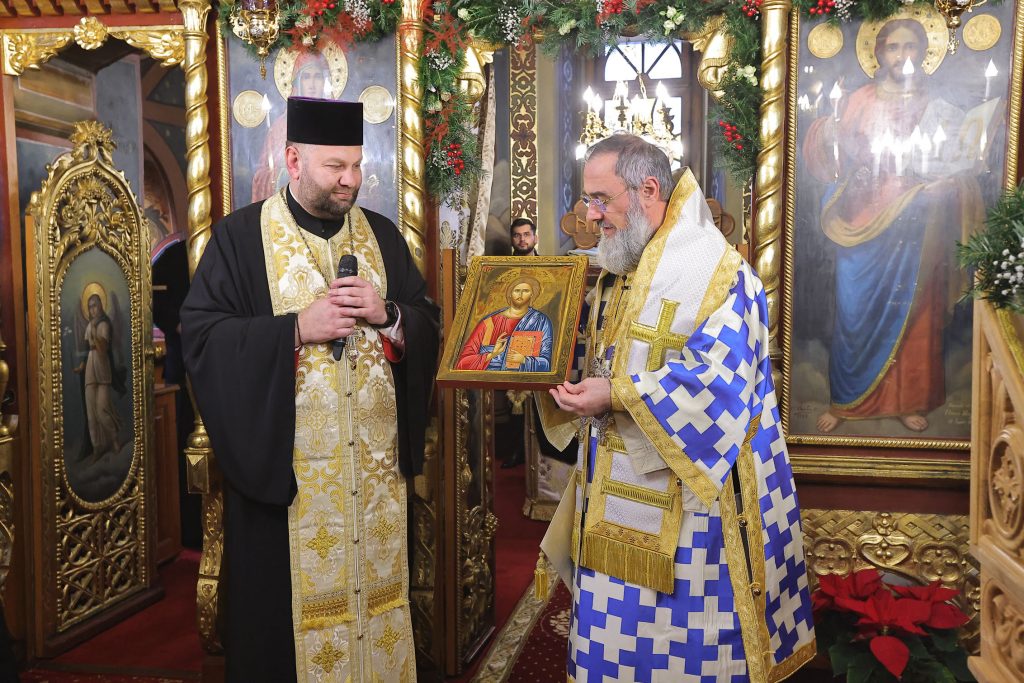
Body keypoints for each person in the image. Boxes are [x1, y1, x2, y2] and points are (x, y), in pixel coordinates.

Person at [181, 97, 439, 682]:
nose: (350, 179)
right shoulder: (240, 239)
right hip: (287, 493)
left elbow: (427, 322)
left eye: (357, 165)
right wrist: (295, 329)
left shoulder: (382, 237)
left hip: (372, 489)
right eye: (335, 167)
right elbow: (203, 338)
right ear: (293, 161)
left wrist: (389, 313)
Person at [542, 134, 814, 682]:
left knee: (689, 646)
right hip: (612, 490)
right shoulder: (625, 266)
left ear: (648, 189)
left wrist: (614, 394)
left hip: (697, 508)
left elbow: (718, 385)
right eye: (588, 200)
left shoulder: (721, 276)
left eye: (601, 199)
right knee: (614, 642)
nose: (591, 215)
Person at [802, 17, 984, 434]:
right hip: (861, 219)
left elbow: (959, 165)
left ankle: (908, 400)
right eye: (893, 47)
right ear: (878, 53)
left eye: (911, 47)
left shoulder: (940, 106)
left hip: (918, 222)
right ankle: (846, 401)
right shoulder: (857, 100)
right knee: (855, 313)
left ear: (924, 53)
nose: (903, 56)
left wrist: (950, 183)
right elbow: (830, 158)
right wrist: (826, 130)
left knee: (915, 310)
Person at [252, 52, 329, 203]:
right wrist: (279, 173)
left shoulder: (335, 122)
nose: (312, 84)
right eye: (306, 77)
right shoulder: (281, 127)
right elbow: (264, 173)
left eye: (317, 77)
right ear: (297, 83)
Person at [454, 276, 552, 372]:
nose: (520, 294)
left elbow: (546, 364)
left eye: (526, 291)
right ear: (510, 294)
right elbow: (462, 363)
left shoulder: (541, 321)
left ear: (532, 295)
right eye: (517, 290)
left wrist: (524, 360)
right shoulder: (489, 322)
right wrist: (492, 354)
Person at [75, 292, 126, 461]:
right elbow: (87, 350)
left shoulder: (104, 324)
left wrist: (93, 334)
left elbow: (103, 348)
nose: (92, 310)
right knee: (91, 414)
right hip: (90, 367)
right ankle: (96, 447)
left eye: (95, 305)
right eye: (90, 307)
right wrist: (82, 365)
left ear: (101, 306)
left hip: (102, 367)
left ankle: (114, 440)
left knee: (102, 410)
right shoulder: (90, 325)